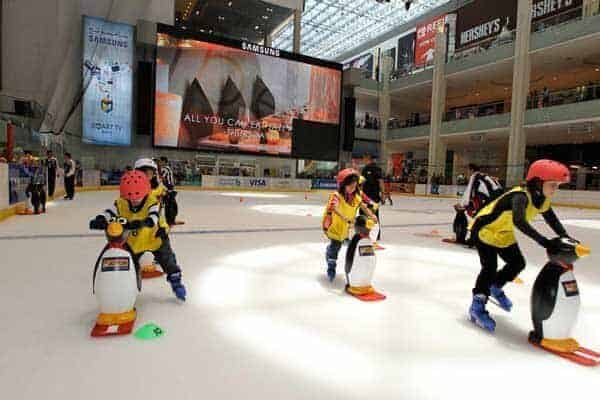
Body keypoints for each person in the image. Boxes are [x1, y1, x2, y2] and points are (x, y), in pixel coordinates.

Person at [468, 159, 573, 332]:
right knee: (489, 268)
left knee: (518, 263)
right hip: (485, 230)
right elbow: (519, 221)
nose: (556, 189)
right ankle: (477, 306)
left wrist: (566, 237)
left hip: (503, 233)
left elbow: (551, 219)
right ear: (538, 182)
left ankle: (495, 286)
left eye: (558, 185)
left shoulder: (542, 199)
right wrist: (544, 242)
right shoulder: (520, 197)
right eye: (553, 184)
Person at [89, 171, 187, 300]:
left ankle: (176, 281)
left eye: (138, 197)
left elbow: (153, 217)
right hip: (133, 242)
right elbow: (109, 212)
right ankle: (124, 286)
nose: (134, 201)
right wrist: (101, 218)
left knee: (167, 260)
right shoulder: (121, 202)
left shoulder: (152, 201)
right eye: (130, 198)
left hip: (154, 238)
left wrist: (143, 222)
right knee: (128, 264)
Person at [322, 168, 378, 282]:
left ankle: (337, 251)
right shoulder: (336, 195)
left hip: (346, 227)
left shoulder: (356, 197)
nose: (353, 188)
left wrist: (372, 215)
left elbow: (363, 206)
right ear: (343, 185)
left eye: (354, 186)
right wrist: (343, 217)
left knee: (349, 243)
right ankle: (331, 267)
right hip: (335, 226)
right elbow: (334, 207)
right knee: (336, 246)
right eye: (350, 186)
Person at [361, 153, 385, 241]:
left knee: (372, 215)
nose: (363, 160)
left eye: (364, 159)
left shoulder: (376, 168)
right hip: (366, 197)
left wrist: (383, 194)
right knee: (366, 215)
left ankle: (374, 234)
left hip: (373, 197)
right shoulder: (365, 169)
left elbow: (380, 181)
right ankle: (368, 233)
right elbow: (362, 182)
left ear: (368, 158)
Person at [159, 156, 179, 226]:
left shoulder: (165, 169)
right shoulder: (166, 168)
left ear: (164, 161)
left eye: (160, 161)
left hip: (168, 189)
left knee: (170, 206)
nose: (160, 163)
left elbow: (161, 178)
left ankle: (170, 220)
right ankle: (170, 220)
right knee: (170, 205)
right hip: (168, 189)